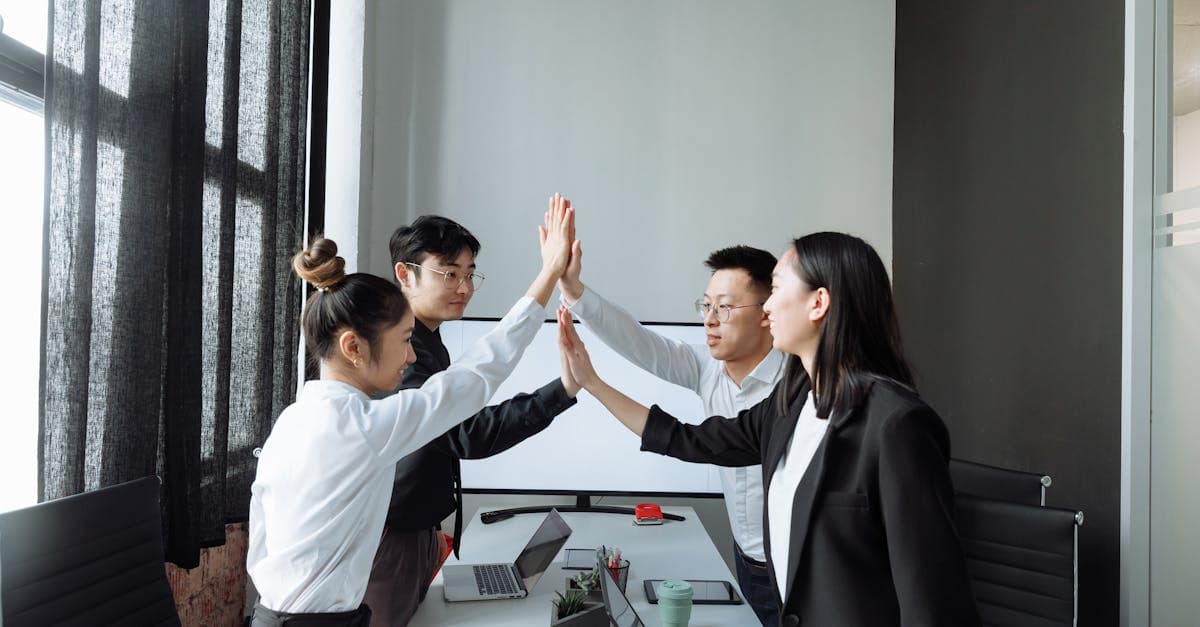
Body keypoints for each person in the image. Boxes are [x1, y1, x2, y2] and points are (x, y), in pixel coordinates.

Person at [556, 232, 981, 626]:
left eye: (776, 291)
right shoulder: (789, 408)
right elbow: (688, 439)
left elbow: (934, 600)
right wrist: (591, 382)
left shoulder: (897, 424)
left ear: (818, 303)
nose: (769, 307)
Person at [246, 198, 574, 626]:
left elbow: (262, 538)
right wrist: (549, 275)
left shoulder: (292, 421)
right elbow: (476, 377)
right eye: (403, 341)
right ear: (353, 347)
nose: (407, 358)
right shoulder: (364, 429)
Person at [363, 195, 582, 626]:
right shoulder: (402, 350)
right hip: (394, 537)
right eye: (449, 273)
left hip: (418, 531)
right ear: (405, 275)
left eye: (469, 274)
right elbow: (468, 434)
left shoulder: (427, 339)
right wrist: (563, 389)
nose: (463, 287)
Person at [557, 242, 784, 625]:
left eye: (725, 307)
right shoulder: (706, 367)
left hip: (792, 570)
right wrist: (574, 289)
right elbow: (639, 343)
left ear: (767, 313)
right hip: (746, 561)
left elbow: (685, 440)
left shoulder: (796, 384)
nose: (710, 320)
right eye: (706, 305)